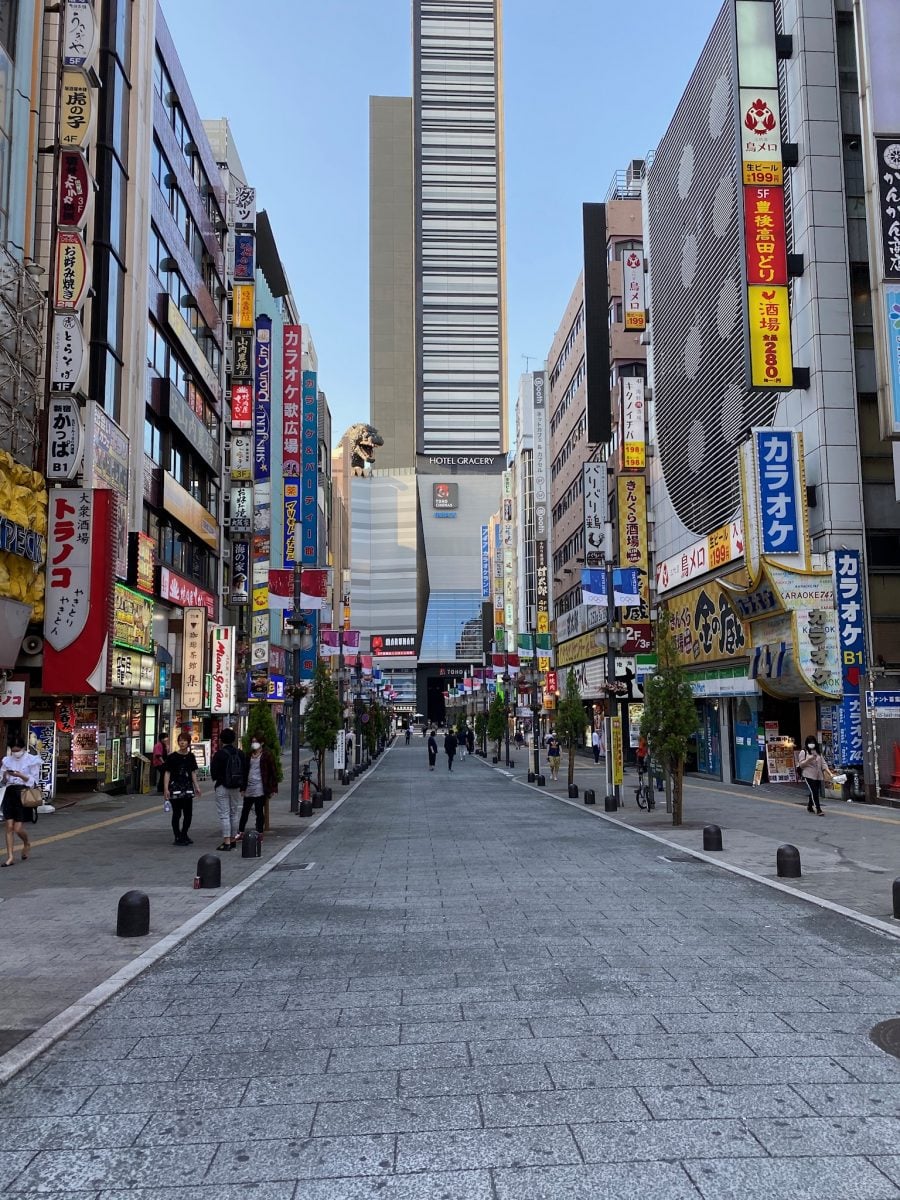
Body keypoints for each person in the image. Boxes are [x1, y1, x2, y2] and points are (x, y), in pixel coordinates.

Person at [1, 734, 41, 866]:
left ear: (23, 748)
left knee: (18, 828)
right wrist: (5, 776)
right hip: (9, 793)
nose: (15, 753)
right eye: (13, 750)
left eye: (17, 750)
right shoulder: (7, 760)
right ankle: (10, 857)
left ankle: (26, 843)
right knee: (9, 826)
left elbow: (34, 781)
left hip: (23, 793)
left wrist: (20, 775)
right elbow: (2, 781)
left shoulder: (32, 760)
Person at [163, 733, 201, 845]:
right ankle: (177, 836)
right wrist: (166, 788)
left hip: (188, 788)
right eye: (180, 740)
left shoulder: (191, 756)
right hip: (175, 788)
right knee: (177, 813)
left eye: (184, 740)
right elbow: (167, 773)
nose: (182, 742)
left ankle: (184, 834)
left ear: (188, 743)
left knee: (188, 814)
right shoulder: (172, 757)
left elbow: (193, 772)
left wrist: (197, 787)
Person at [209, 729, 245, 850]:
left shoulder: (219, 754)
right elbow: (245, 770)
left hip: (222, 786)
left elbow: (213, 773)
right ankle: (233, 839)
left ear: (221, 740)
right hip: (236, 787)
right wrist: (242, 786)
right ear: (233, 739)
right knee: (234, 813)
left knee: (224, 814)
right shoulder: (240, 753)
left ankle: (227, 842)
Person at [239, 736, 278, 839]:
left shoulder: (266, 755)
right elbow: (244, 772)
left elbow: (273, 771)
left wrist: (273, 788)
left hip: (260, 787)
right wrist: (242, 788)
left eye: (256, 741)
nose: (254, 743)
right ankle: (241, 831)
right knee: (245, 811)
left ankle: (259, 832)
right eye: (252, 741)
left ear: (262, 743)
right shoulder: (249, 755)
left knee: (259, 811)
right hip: (249, 787)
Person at [797, 737, 828, 815]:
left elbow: (823, 763)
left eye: (813, 742)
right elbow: (801, 764)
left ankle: (810, 806)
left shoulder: (818, 752)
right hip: (808, 774)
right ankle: (818, 809)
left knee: (815, 791)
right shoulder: (803, 752)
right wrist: (809, 760)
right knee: (814, 791)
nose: (811, 744)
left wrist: (829, 773)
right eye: (810, 742)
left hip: (818, 775)